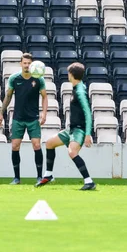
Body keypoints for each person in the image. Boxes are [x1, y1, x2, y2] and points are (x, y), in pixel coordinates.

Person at [36, 62, 96, 190]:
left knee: (72, 152)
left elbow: (88, 113)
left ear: (71, 75)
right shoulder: (77, 88)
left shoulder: (80, 91)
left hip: (79, 129)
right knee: (49, 143)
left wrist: (88, 134)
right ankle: (49, 175)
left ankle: (89, 181)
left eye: (68, 73)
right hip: (71, 129)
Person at [0, 53, 48, 186]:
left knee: (36, 145)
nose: (26, 66)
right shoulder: (14, 78)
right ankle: (16, 178)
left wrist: (44, 113)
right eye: (24, 63)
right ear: (21, 64)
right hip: (18, 118)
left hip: (33, 118)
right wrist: (1, 113)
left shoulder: (38, 79)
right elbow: (8, 96)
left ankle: (39, 177)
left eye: (29, 63)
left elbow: (44, 97)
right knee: (15, 146)